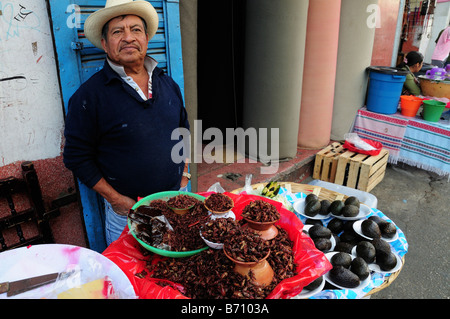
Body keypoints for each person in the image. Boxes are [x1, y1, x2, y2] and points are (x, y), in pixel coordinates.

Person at [63, 0, 191, 245]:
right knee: (132, 278)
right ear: (104, 44)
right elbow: (76, 157)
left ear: (146, 38)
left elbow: (183, 130)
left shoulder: (168, 84)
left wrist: (184, 175)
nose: (128, 37)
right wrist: (116, 200)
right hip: (129, 213)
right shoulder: (89, 97)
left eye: (135, 29)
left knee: (179, 271)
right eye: (117, 31)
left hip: (177, 201)